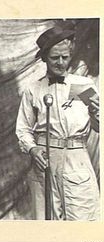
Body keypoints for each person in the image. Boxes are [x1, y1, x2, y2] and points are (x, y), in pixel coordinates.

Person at [16, 25, 100, 220]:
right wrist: (32, 149)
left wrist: (98, 114)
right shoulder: (33, 89)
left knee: (82, 221)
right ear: (44, 58)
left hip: (76, 160)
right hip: (44, 160)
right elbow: (23, 129)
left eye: (65, 57)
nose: (61, 63)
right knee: (48, 223)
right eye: (55, 58)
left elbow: (98, 127)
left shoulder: (82, 85)